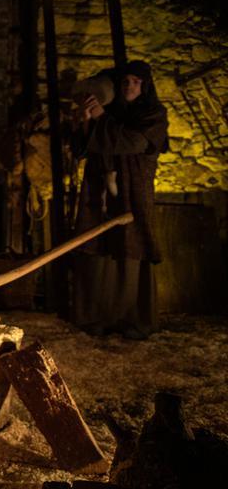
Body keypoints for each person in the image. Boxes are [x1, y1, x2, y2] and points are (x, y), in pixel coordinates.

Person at [70, 60, 168, 340]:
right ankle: (95, 316)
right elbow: (82, 147)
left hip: (133, 189)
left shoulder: (154, 114)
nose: (129, 86)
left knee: (132, 243)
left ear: (145, 86)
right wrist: (86, 123)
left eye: (136, 82)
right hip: (99, 187)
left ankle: (132, 318)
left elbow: (134, 142)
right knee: (97, 242)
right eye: (125, 82)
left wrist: (101, 120)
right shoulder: (110, 111)